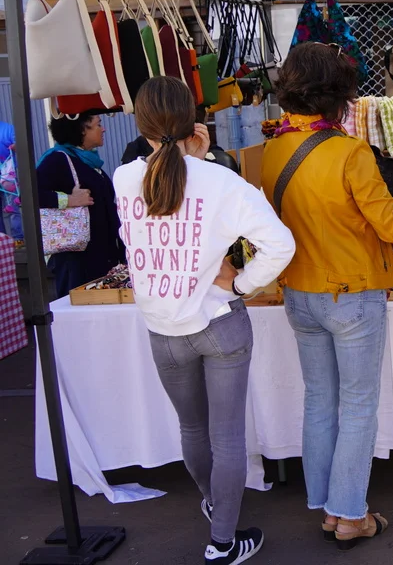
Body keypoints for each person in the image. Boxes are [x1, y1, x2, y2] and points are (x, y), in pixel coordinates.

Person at [113, 76, 295, 565]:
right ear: (195, 121)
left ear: (140, 125)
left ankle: (217, 505)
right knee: (227, 436)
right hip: (218, 322)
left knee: (193, 430)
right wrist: (240, 284)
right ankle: (222, 540)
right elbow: (281, 245)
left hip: (163, 328)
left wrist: (194, 160)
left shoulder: (124, 178)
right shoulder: (220, 181)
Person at [261, 42, 393, 548]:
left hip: (299, 292)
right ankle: (350, 516)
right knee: (357, 406)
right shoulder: (350, 152)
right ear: (339, 95)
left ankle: (329, 508)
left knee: (320, 401)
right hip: (352, 296)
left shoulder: (272, 150)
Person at [36, 112, 124, 298]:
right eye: (98, 124)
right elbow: (29, 195)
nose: (103, 129)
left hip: (101, 256)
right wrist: (68, 200)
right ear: (82, 129)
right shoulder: (57, 159)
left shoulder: (88, 161)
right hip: (76, 261)